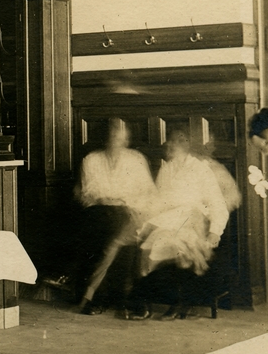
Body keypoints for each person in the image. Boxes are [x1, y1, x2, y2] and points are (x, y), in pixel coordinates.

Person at [132, 131, 231, 319]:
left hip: (193, 220)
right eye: (167, 145)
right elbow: (158, 201)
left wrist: (215, 232)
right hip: (168, 219)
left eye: (172, 145)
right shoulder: (166, 169)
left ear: (184, 147)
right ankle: (144, 301)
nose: (167, 148)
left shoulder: (200, 169)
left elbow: (217, 203)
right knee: (147, 245)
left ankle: (181, 301)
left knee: (179, 246)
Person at [75, 118, 157, 316]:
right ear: (105, 139)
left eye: (119, 137)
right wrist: (114, 200)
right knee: (113, 231)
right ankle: (125, 296)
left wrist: (121, 201)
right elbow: (91, 192)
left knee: (115, 231)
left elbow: (147, 193)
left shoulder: (136, 159)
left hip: (131, 213)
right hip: (100, 213)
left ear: (126, 139)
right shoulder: (92, 159)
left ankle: (92, 296)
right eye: (111, 137)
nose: (115, 141)